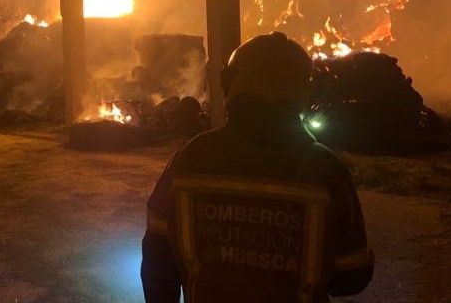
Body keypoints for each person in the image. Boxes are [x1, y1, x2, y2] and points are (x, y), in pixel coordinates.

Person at [141, 32, 373, 303]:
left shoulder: (190, 159)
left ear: (227, 84)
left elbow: (158, 261)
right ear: (306, 94)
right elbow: (352, 276)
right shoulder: (326, 170)